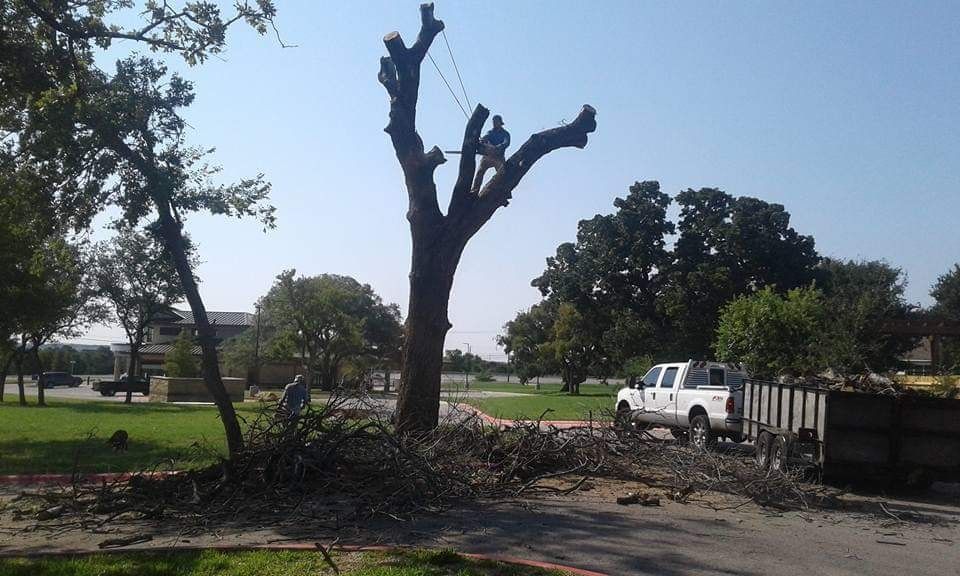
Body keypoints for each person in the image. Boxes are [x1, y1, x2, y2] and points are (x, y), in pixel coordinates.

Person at [471, 114, 511, 196]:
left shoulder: (505, 134)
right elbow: (485, 137)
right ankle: (474, 191)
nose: (494, 123)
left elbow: (506, 143)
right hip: (487, 157)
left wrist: (498, 147)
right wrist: (482, 141)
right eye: (493, 122)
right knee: (480, 172)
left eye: (496, 122)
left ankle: (506, 193)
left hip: (498, 158)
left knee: (503, 174)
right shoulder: (490, 132)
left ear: (500, 123)